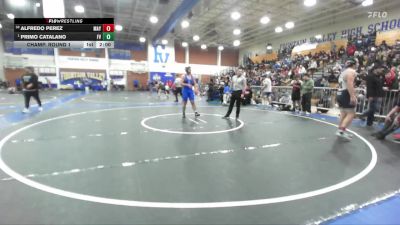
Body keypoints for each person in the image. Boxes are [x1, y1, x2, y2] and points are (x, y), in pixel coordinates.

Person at [336, 59, 358, 140]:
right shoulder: (351, 71)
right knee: (351, 113)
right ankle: (341, 131)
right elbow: (349, 84)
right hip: (345, 93)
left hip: (340, 93)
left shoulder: (343, 72)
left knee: (343, 113)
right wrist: (352, 96)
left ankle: (340, 130)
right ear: (354, 64)